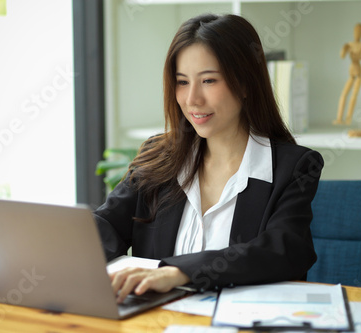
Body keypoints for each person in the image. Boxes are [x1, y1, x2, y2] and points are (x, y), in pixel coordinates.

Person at [94, 13, 324, 304]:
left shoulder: (293, 167)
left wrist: (179, 272)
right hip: (155, 322)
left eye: (209, 80)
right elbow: (105, 226)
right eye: (181, 82)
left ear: (244, 84)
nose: (192, 99)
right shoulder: (158, 158)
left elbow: (283, 250)